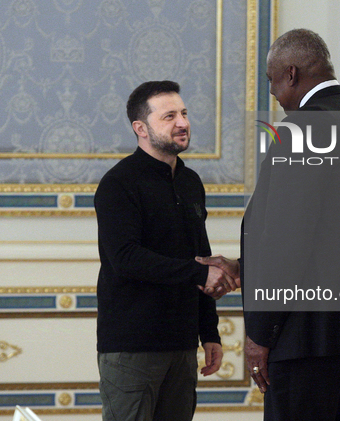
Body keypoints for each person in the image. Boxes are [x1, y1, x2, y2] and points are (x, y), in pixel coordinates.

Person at [197, 29, 340, 420]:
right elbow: (330, 230)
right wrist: (245, 267)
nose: (273, 93)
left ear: (291, 73)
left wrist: (261, 334)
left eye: (272, 81)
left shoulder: (301, 130)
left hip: (307, 331)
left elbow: (289, 241)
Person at [94, 80, 237, 421]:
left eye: (184, 113)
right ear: (140, 128)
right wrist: (200, 272)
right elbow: (126, 259)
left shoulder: (191, 181)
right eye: (169, 116)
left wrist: (209, 332)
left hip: (183, 343)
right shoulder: (118, 183)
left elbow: (201, 255)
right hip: (132, 347)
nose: (183, 123)